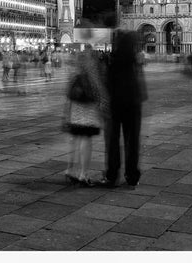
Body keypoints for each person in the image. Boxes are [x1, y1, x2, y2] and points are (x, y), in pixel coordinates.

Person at [101, 15, 147, 187]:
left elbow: (111, 75)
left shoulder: (119, 48)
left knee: (113, 140)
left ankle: (112, 175)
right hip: (134, 99)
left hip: (117, 100)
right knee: (132, 139)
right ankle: (132, 175)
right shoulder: (131, 43)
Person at [61, 46, 107, 185]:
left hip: (75, 109)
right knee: (86, 139)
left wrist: (66, 113)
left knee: (75, 138)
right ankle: (83, 174)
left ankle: (70, 170)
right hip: (88, 110)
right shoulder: (92, 73)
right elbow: (98, 93)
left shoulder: (75, 72)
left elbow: (68, 93)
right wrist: (102, 107)